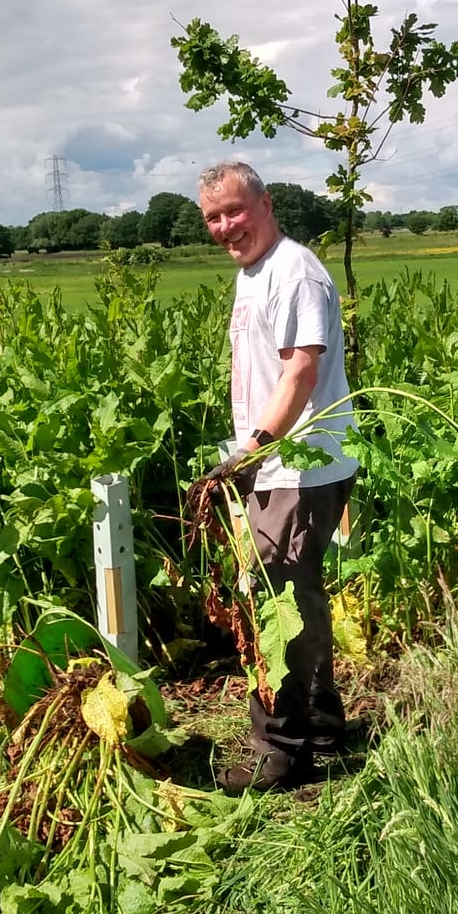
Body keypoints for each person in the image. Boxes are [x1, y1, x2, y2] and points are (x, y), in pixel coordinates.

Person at [198, 161, 358, 792]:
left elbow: (300, 373)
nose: (225, 227)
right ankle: (321, 723)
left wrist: (254, 450)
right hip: (278, 461)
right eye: (213, 218)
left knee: (277, 607)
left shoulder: (295, 272)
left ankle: (283, 754)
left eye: (235, 211)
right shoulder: (254, 274)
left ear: (266, 203)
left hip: (298, 463)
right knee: (301, 596)